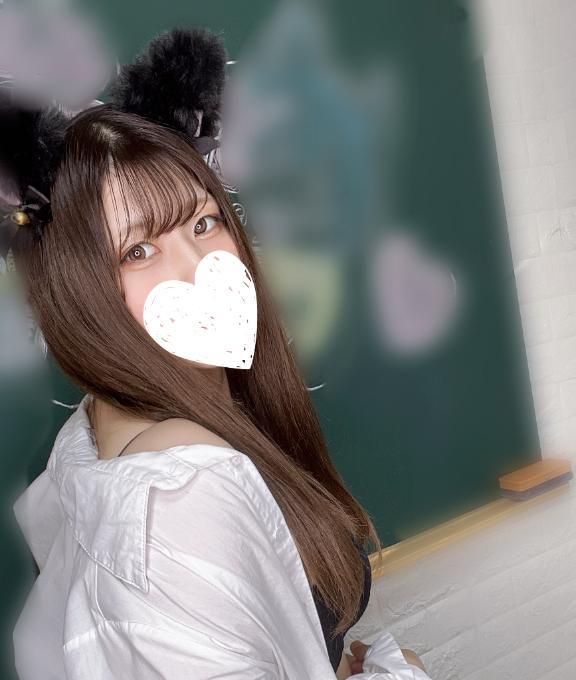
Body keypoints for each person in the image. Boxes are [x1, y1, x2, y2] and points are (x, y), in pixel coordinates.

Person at [6, 26, 428, 679]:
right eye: (139, 251)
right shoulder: (178, 500)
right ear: (75, 289)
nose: (199, 266)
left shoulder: (113, 423)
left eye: (203, 223)